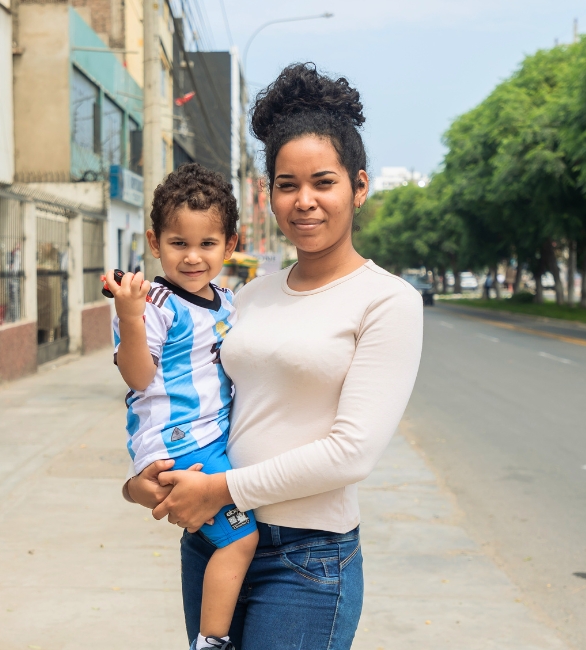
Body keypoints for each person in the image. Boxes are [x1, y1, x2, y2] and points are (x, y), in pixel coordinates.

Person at [124, 63, 424, 649]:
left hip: (307, 558)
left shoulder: (388, 301)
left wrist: (222, 489)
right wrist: (142, 482)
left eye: (324, 182)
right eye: (287, 184)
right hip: (216, 538)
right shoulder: (246, 296)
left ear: (359, 187)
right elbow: (172, 396)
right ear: (270, 195)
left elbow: (351, 453)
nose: (304, 201)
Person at [105, 164, 259, 650]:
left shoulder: (227, 300)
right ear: (155, 242)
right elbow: (138, 376)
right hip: (182, 440)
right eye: (178, 244)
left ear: (230, 245)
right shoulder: (151, 304)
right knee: (240, 540)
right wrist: (129, 318)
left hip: (207, 436)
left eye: (207, 244)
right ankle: (211, 641)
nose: (193, 257)